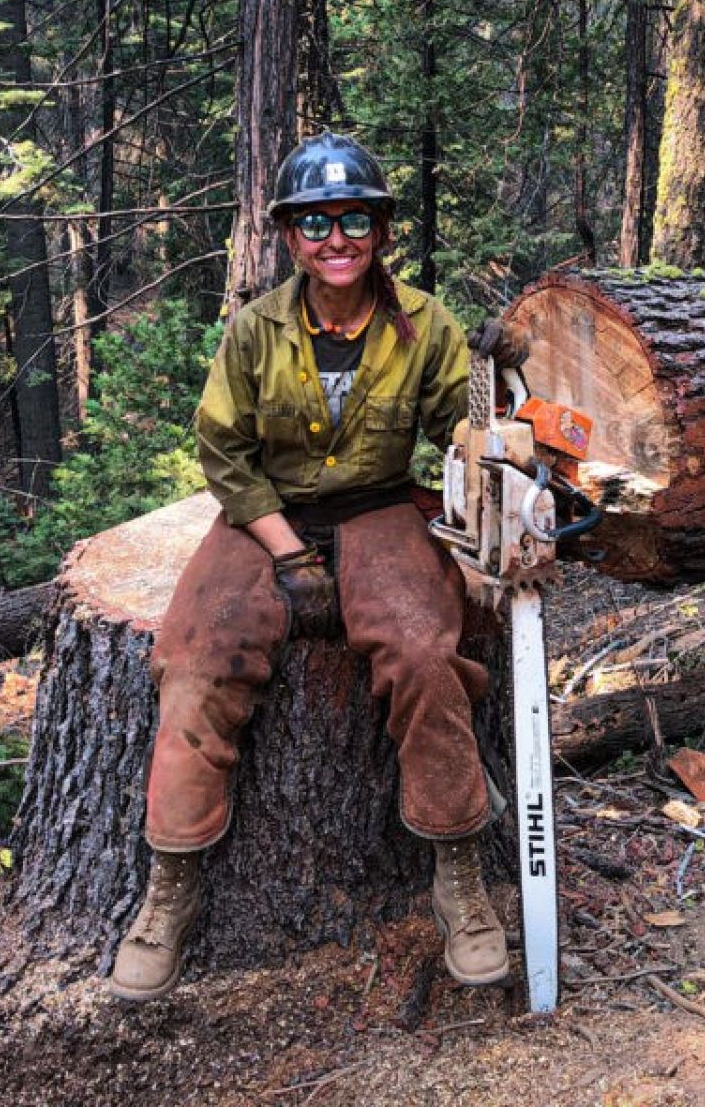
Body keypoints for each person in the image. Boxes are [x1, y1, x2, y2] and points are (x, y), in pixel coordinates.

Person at [108, 132, 524, 1003]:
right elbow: (223, 451)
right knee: (195, 656)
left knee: (421, 649)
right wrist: (287, 551)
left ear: (379, 230)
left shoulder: (426, 323)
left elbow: (463, 428)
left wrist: (497, 388)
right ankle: (170, 885)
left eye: (355, 220)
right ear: (291, 237)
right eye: (316, 223)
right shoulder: (255, 330)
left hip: (379, 506)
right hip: (265, 511)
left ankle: (459, 871)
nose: (337, 239)